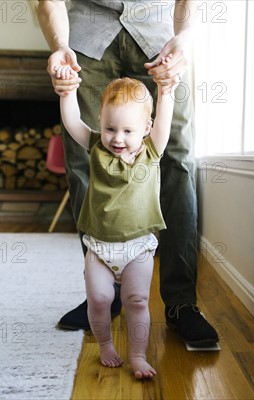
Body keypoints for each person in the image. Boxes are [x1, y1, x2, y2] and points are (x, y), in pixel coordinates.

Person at [37, 0, 219, 346]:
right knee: (82, 160)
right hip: (86, 42)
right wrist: (61, 46)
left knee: (176, 158)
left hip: (160, 40)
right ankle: (105, 292)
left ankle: (182, 303)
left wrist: (186, 37)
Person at [58, 59, 174, 377]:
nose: (117, 138)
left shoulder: (152, 151)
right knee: (99, 298)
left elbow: (164, 121)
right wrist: (67, 92)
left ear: (146, 129)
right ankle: (106, 345)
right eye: (110, 128)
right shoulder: (96, 146)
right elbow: (71, 123)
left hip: (138, 247)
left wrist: (166, 91)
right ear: (101, 123)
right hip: (99, 245)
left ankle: (137, 355)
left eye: (127, 130)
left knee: (136, 300)